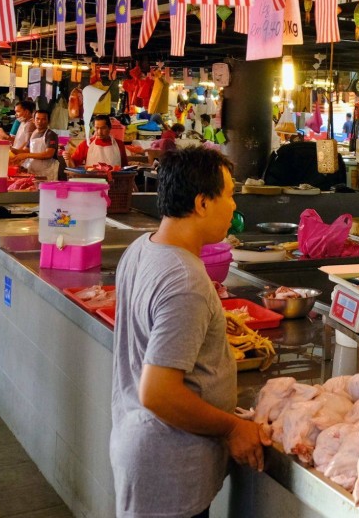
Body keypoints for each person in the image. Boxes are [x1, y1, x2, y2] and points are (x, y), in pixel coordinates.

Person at [110, 147, 271, 518]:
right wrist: (231, 427)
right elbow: (159, 392)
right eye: (229, 194)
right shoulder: (185, 280)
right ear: (201, 203)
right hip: (168, 467)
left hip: (142, 447)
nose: (233, 206)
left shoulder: (141, 249)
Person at [9, 108, 60, 179]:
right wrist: (12, 150)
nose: (40, 121)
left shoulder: (50, 134)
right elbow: (27, 150)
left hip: (47, 172)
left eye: (43, 119)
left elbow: (49, 154)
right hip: (33, 171)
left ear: (48, 121)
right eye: (37, 119)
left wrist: (26, 155)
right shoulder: (34, 133)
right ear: (34, 120)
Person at [64, 114, 129, 169]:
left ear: (109, 128)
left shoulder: (119, 144)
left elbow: (125, 168)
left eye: (103, 128)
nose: (99, 132)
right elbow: (72, 166)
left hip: (114, 182)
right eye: (97, 128)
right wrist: (68, 159)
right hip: (93, 182)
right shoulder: (86, 144)